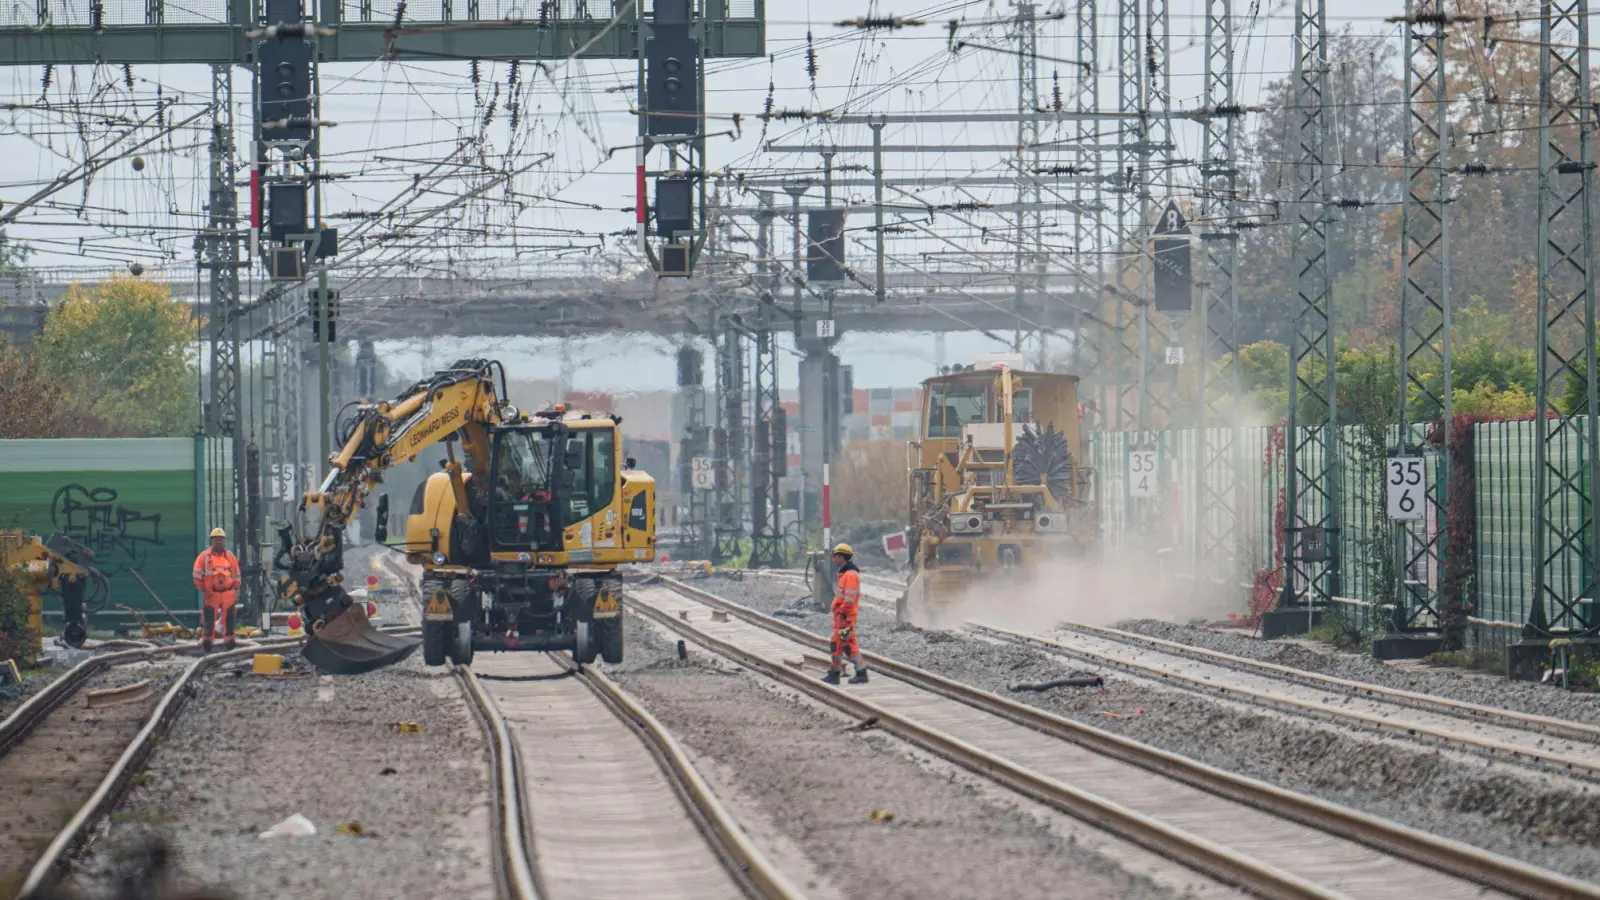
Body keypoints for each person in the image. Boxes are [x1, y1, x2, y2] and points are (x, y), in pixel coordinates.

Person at [823, 542, 868, 685]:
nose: (834, 560)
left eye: (835, 557)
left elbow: (849, 599)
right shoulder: (846, 573)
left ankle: (839, 673)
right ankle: (853, 672)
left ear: (842, 557)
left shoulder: (849, 575)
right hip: (842, 617)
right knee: (844, 645)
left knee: (841, 645)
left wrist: (841, 611)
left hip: (845, 617)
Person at [192, 527, 240, 652]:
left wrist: (235, 586)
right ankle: (207, 642)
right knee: (208, 618)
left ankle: (230, 641)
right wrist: (203, 587)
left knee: (229, 617)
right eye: (216, 539)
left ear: (225, 541)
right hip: (211, 592)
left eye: (221, 539)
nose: (219, 542)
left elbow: (236, 573)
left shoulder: (230, 557)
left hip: (228, 592)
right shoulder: (204, 557)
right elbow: (197, 574)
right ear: (211, 541)